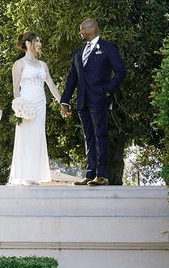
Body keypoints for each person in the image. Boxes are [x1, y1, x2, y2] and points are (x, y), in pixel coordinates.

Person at [60, 18, 125, 186]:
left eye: (82, 29)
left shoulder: (107, 47)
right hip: (82, 101)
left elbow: (120, 71)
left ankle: (101, 175)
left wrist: (108, 90)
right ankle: (90, 173)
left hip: (100, 99)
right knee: (88, 136)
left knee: (100, 135)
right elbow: (71, 79)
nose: (80, 32)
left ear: (93, 29)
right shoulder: (78, 52)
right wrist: (65, 101)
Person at [7, 32, 62, 185]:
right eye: (37, 41)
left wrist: (62, 103)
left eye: (40, 41)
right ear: (27, 44)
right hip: (27, 104)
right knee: (26, 138)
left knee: (37, 137)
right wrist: (19, 107)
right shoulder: (19, 64)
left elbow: (51, 85)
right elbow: (15, 88)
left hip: (40, 104)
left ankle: (35, 175)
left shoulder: (43, 65)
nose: (39, 44)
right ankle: (25, 175)